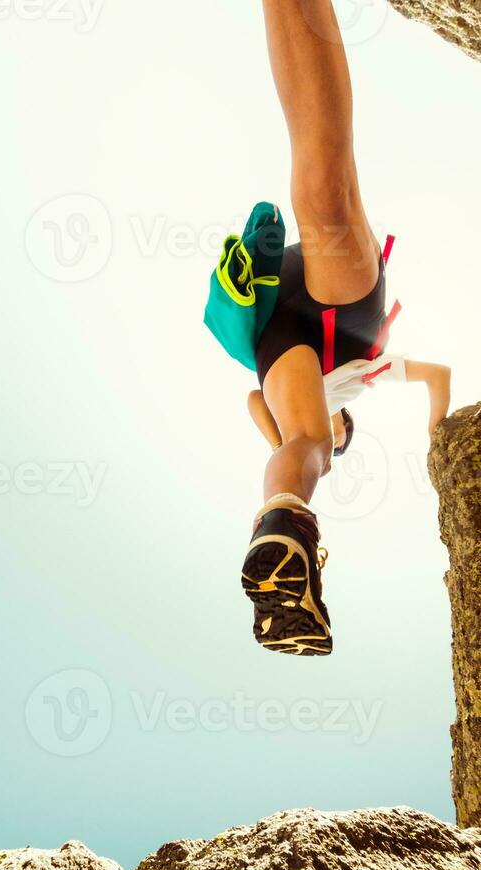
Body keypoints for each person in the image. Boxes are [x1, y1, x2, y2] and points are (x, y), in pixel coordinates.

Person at [240, 0, 451, 657]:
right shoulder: (368, 380)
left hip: (282, 335)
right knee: (326, 190)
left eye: (339, 435)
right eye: (344, 432)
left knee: (305, 443)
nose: (338, 432)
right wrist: (437, 429)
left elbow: (255, 402)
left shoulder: (308, 430)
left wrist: (297, 438)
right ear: (350, 421)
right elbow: (436, 374)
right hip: (348, 322)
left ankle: (284, 527)